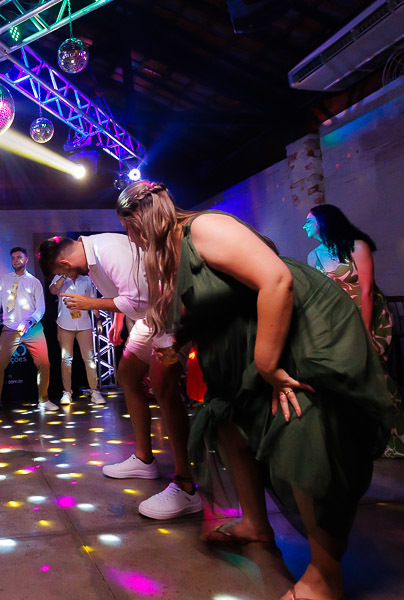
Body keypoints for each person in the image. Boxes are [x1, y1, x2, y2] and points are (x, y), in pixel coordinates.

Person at [117, 180, 395, 600]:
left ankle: (324, 576)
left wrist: (267, 364)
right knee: (228, 422)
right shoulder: (172, 251)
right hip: (236, 350)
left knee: (299, 432)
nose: (131, 240)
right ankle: (255, 525)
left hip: (289, 337)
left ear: (142, 219)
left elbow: (276, 279)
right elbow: (208, 304)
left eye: (130, 229)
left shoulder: (205, 228)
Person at [37, 234, 198, 520]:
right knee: (127, 375)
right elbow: (127, 291)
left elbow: (139, 299)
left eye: (63, 272)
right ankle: (145, 459)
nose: (68, 276)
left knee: (163, 388)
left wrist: (91, 304)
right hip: (149, 316)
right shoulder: (93, 259)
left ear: (64, 263)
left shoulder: (107, 250)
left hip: (168, 314)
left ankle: (186, 485)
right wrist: (120, 319)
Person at [303, 204, 403, 458]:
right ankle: (362, 440)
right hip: (340, 320)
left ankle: (395, 438)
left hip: (369, 315)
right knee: (349, 377)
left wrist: (366, 330)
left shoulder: (357, 246)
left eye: (309, 221)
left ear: (324, 222)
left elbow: (367, 290)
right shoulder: (313, 256)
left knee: (375, 372)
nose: (305, 226)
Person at [0, 246, 53, 414]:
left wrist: (29, 322)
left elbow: (41, 309)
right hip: (10, 328)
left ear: (26, 259)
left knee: (44, 363)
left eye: (19, 257)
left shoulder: (34, 282)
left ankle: (43, 400)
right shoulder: (4, 280)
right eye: (13, 257)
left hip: (33, 329)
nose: (16, 260)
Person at [48, 273, 106, 405]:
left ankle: (94, 391)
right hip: (64, 323)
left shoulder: (86, 279)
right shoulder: (59, 277)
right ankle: (67, 392)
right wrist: (63, 276)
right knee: (66, 359)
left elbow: (92, 299)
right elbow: (52, 290)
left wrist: (98, 319)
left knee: (89, 358)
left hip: (84, 323)